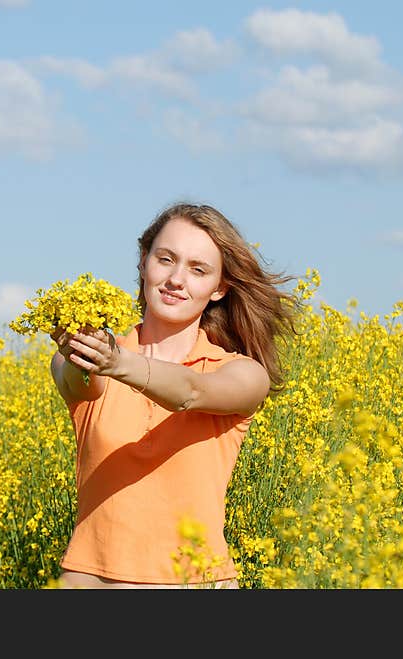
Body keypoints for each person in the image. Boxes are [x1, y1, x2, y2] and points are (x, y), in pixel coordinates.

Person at [49, 201, 296, 588]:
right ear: (144, 261)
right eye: (166, 259)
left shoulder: (242, 373)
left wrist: (117, 363)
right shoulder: (85, 360)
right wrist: (83, 353)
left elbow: (191, 392)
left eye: (198, 270)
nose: (176, 279)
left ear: (219, 288)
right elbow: (81, 383)